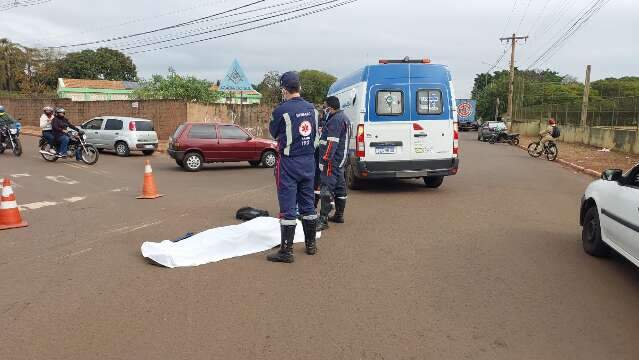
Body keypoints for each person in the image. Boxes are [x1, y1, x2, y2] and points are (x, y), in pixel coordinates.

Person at [266, 71, 319, 263]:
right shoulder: (313, 109)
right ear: (299, 88)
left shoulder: (281, 110)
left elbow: (273, 133)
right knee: (308, 204)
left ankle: (286, 251)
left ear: (284, 90)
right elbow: (315, 136)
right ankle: (311, 245)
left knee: (288, 207)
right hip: (308, 162)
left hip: (289, 163)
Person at [316, 96, 352, 231]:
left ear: (330, 107)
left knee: (326, 188)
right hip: (342, 159)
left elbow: (332, 143)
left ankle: (323, 219)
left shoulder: (335, 120)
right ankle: (339, 215)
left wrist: (325, 159)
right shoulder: (345, 118)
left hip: (332, 161)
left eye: (325, 106)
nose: (324, 109)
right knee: (340, 187)